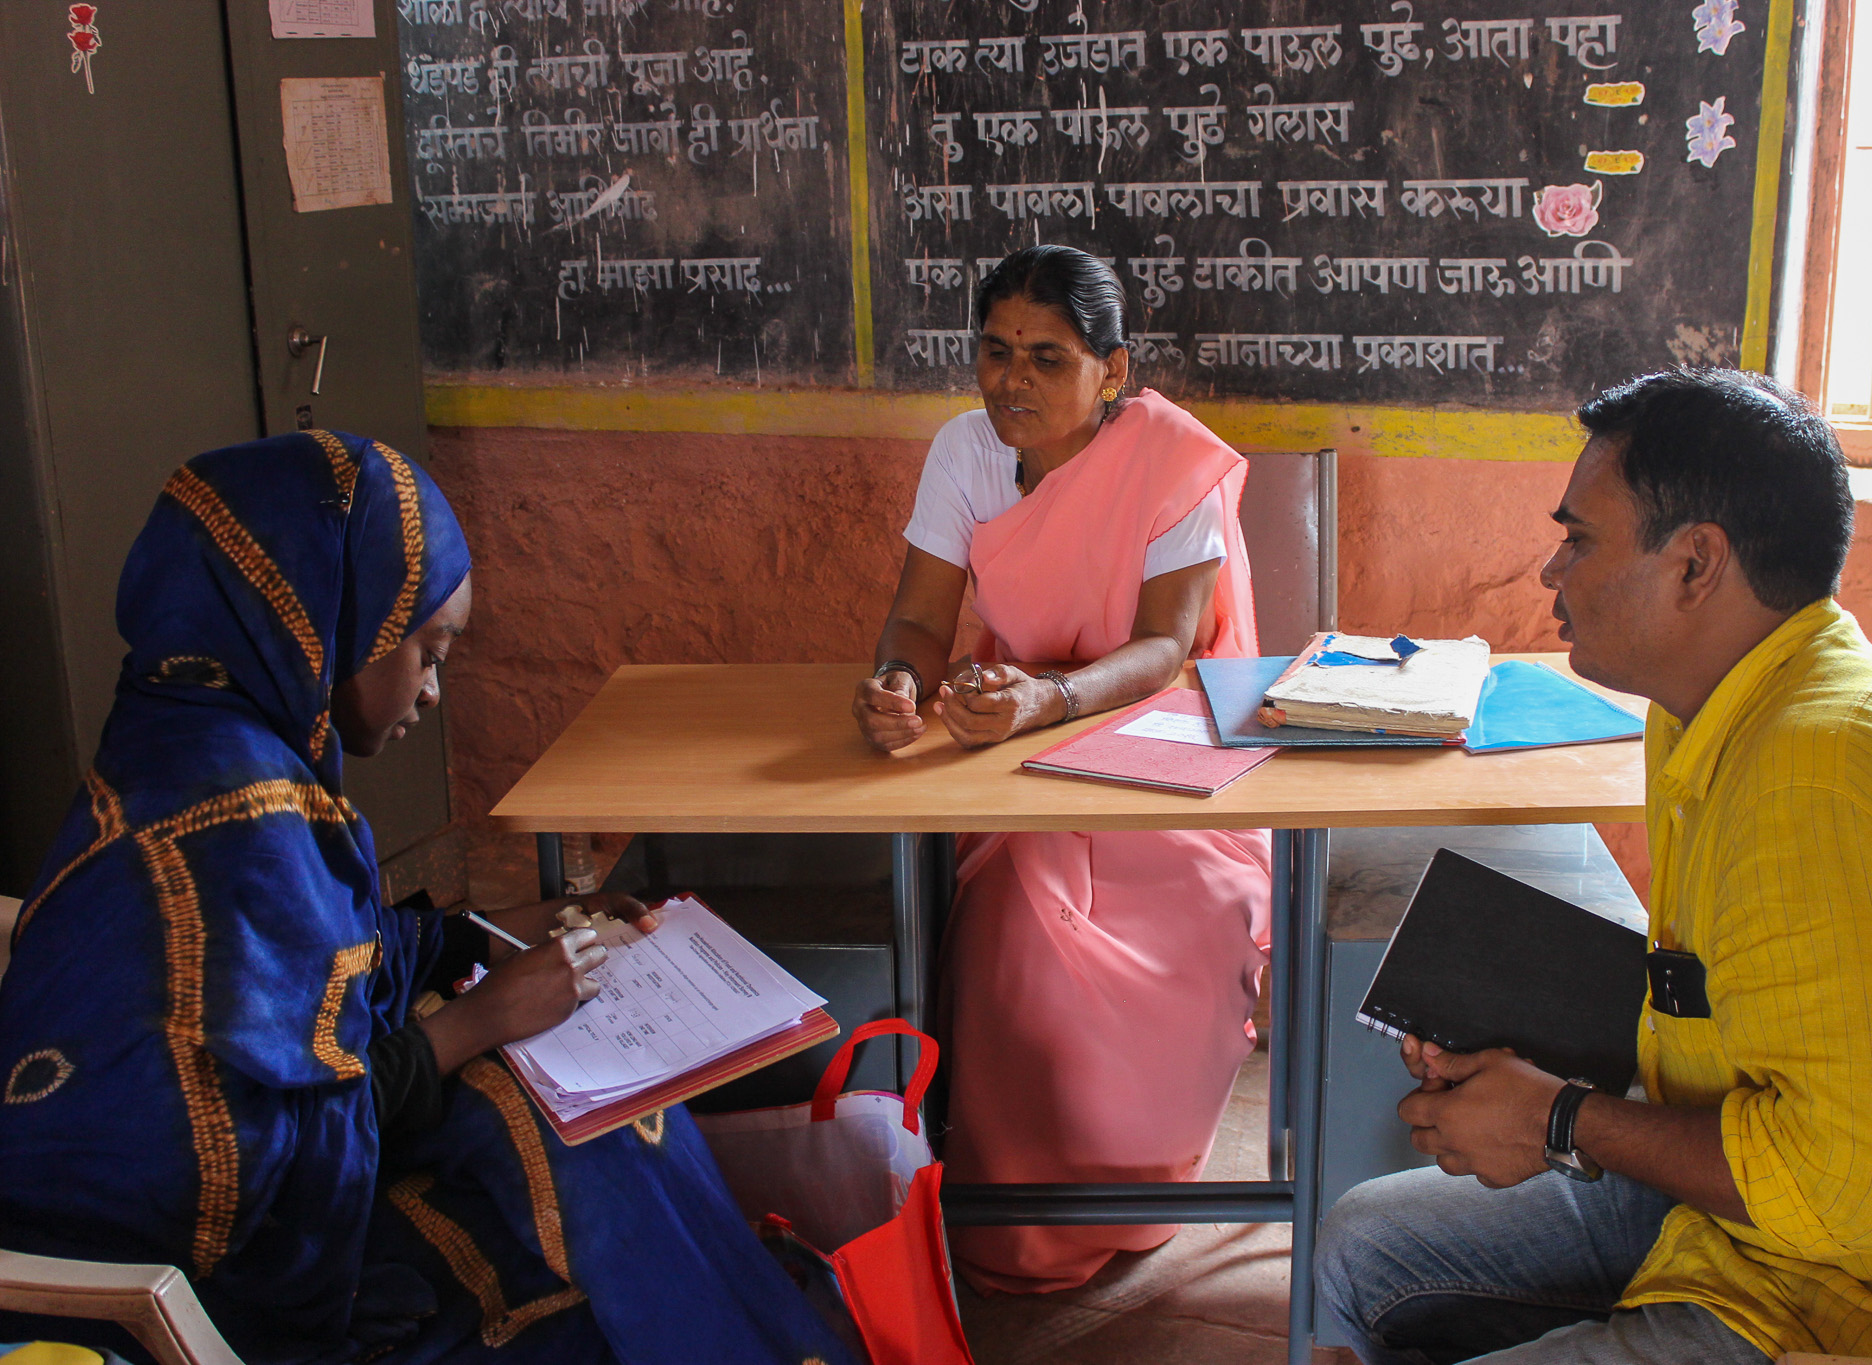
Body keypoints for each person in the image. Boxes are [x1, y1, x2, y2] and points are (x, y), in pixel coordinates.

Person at [0, 431, 852, 1365]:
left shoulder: (198, 732)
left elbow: (330, 955)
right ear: (326, 623)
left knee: (568, 1131)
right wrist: (480, 1017)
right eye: (427, 648)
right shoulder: (239, 830)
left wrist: (488, 935)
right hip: (199, 1285)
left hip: (223, 1218)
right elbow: (272, 1155)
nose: (435, 688)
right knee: (580, 1210)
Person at [1315, 369, 1872, 1363]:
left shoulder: (1823, 781)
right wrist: (1520, 1045)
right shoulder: (1702, 709)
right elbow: (1723, 994)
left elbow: (1849, 1203)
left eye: (1578, 539)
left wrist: (1559, 1118)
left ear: (1694, 566)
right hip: (1744, 1233)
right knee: (1364, 1243)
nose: (1549, 572)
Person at [851, 245, 1271, 1292]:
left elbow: (1164, 651)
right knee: (1014, 927)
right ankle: (1016, 1221)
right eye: (994, 352)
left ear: (1112, 372)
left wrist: (1049, 697)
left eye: (1047, 357)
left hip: (1167, 745)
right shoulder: (962, 453)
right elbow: (916, 617)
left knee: (1195, 906)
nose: (1011, 381)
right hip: (1015, 759)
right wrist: (899, 684)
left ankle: (1141, 1185)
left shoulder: (1173, 463)